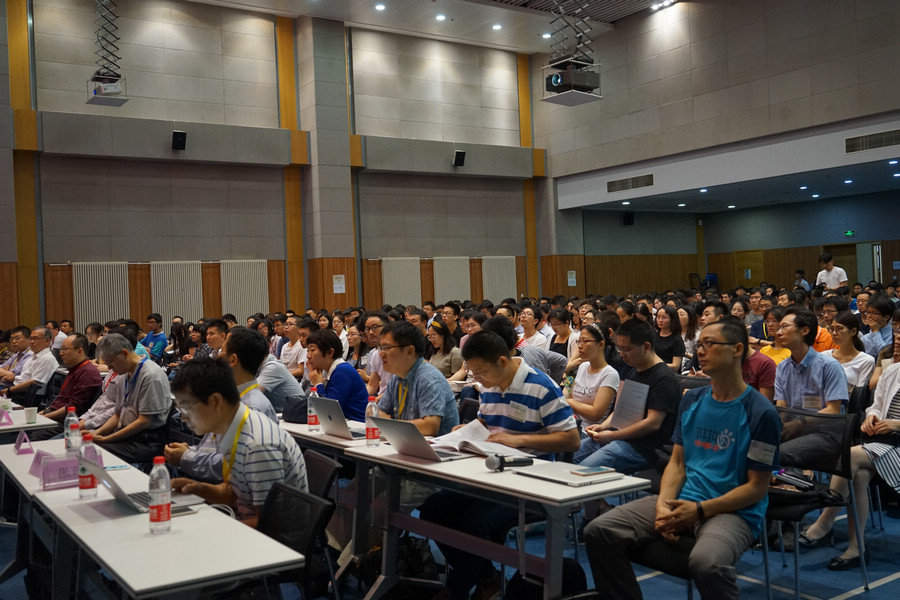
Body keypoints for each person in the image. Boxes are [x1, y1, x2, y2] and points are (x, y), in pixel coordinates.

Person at [584, 318, 781, 600]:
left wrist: (698, 510)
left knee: (707, 563)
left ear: (737, 349)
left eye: (710, 344)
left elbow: (757, 488)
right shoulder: (692, 400)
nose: (700, 351)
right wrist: (663, 505)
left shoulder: (761, 413)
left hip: (732, 512)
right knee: (599, 530)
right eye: (699, 345)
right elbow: (677, 464)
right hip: (683, 497)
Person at [419, 329, 578, 600]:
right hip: (491, 473)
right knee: (434, 509)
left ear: (502, 361)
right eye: (474, 373)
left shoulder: (541, 386)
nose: (478, 379)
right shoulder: (489, 386)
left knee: (475, 523)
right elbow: (487, 422)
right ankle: (488, 578)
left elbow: (572, 439)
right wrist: (468, 429)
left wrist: (520, 440)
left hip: (530, 481)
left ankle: (456, 590)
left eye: (481, 372)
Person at [170, 359, 307, 528]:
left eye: (186, 408)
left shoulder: (257, 445)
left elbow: (269, 524)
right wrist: (199, 489)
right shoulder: (233, 427)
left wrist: (210, 530)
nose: (184, 418)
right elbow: (234, 494)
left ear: (215, 401)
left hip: (274, 539)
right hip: (247, 523)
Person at [799, 343, 900, 569]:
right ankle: (857, 547)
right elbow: (875, 406)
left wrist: (896, 424)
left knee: (850, 456)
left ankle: (825, 521)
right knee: (860, 476)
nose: (897, 346)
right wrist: (871, 418)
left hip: (896, 445)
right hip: (883, 444)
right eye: (897, 339)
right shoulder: (893, 370)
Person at [165, 327, 278, 482]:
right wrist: (189, 450)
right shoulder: (233, 398)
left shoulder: (251, 407)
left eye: (222, 351)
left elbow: (230, 465)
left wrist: (187, 457)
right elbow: (213, 449)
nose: (217, 356)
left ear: (232, 360)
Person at [574, 318, 681, 472]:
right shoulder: (634, 370)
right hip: (618, 437)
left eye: (627, 349)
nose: (622, 355)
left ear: (646, 347)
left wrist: (612, 436)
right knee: (568, 455)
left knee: (581, 470)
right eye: (620, 349)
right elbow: (621, 408)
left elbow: (652, 423)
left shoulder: (663, 378)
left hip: (642, 448)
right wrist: (603, 426)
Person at [774, 307, 849, 466]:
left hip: (825, 434)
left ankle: (803, 479)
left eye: (784, 327)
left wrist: (799, 424)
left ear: (805, 330)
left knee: (777, 454)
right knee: (756, 448)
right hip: (792, 430)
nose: (778, 332)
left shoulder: (829, 365)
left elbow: (833, 410)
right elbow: (782, 408)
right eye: (779, 327)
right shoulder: (782, 367)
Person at [89, 333, 172, 463]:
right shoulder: (124, 375)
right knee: (86, 445)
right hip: (127, 433)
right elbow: (117, 415)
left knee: (95, 453)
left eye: (110, 362)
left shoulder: (151, 375)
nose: (109, 368)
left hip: (147, 440)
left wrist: (107, 439)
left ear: (124, 353)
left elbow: (144, 421)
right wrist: (96, 434)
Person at [376, 321, 458, 436]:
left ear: (409, 351)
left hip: (436, 445)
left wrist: (391, 424)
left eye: (387, 347)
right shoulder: (397, 377)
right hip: (407, 441)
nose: (381, 354)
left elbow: (430, 427)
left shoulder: (429, 378)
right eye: (381, 348)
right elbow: (378, 414)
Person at [37, 333, 102, 427]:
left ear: (79, 351)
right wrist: (42, 414)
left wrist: (44, 417)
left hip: (66, 422)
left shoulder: (87, 373)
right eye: (61, 349)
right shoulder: (75, 369)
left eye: (65, 349)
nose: (61, 353)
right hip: (54, 415)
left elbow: (73, 408)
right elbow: (61, 400)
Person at [306, 328, 369, 422]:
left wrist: (318, 385)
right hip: (343, 424)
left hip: (357, 424)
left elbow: (329, 411)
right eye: (308, 351)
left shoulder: (342, 371)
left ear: (330, 352)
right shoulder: (329, 370)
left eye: (312, 350)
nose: (308, 355)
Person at [565, 323, 619, 427]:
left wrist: (569, 402)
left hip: (587, 429)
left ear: (601, 344)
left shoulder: (610, 374)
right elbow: (570, 394)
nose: (580, 346)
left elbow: (595, 413)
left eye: (585, 341)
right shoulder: (583, 366)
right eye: (579, 341)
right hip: (570, 422)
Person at [1, 326, 59, 403]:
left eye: (36, 339)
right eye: (31, 338)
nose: (32, 342)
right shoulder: (34, 356)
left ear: (47, 340)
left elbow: (33, 383)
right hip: (16, 391)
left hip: (25, 396)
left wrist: (9, 390)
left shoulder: (47, 358)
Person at [823, 310, 876, 392]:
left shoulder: (866, 361)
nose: (834, 333)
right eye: (832, 329)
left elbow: (859, 393)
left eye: (839, 329)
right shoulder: (824, 356)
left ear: (853, 331)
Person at [861, 292, 894, 359]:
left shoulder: (894, 336)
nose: (869, 316)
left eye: (874, 313)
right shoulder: (864, 338)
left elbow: (886, 357)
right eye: (868, 312)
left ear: (886, 317)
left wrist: (876, 332)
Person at [653, 305, 685, 372]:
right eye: (658, 317)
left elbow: (675, 366)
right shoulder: (654, 336)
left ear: (672, 320)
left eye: (664, 317)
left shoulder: (677, 340)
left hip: (669, 374)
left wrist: (655, 365)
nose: (660, 320)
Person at [0, 326, 32, 392]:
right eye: (12, 339)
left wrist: (6, 374)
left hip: (15, 391)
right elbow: (3, 368)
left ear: (28, 340)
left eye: (17, 338)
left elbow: (11, 377)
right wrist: (7, 373)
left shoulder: (30, 355)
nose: (14, 341)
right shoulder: (17, 355)